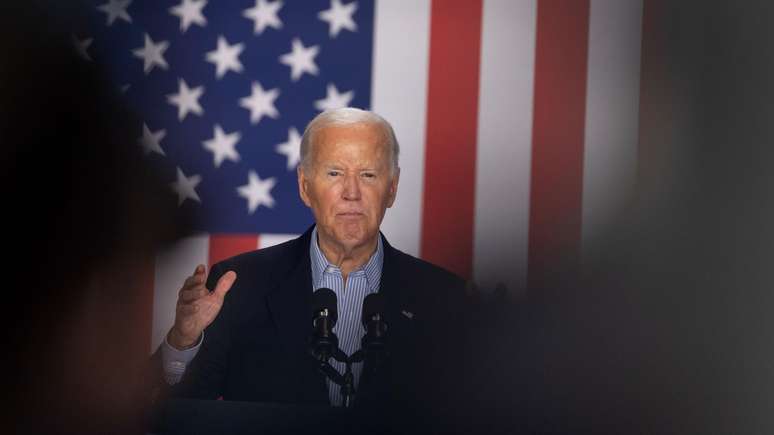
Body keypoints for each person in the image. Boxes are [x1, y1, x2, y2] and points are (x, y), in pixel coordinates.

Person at [155, 108, 466, 419]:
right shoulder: (238, 285)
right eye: (335, 173)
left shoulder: (444, 298)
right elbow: (172, 413)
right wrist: (182, 343)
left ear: (392, 188)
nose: (352, 193)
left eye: (368, 174)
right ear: (305, 186)